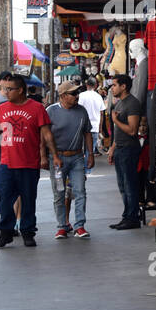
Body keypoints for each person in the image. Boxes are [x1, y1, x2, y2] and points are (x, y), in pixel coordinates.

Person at [0, 74, 60, 248]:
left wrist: (55, 156)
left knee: (29, 200)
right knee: (5, 200)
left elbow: (46, 135)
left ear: (20, 90)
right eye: (5, 89)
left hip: (29, 164)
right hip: (7, 163)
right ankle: (6, 232)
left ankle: (28, 232)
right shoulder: (1, 109)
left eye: (10, 89)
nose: (6, 92)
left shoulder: (37, 108)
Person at [46, 79, 94, 239]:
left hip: (77, 157)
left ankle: (80, 225)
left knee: (80, 192)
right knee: (59, 194)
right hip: (58, 158)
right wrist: (48, 156)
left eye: (77, 93)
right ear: (63, 95)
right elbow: (45, 136)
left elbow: (87, 133)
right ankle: (62, 226)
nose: (77, 96)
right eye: (73, 93)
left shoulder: (82, 111)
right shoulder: (51, 111)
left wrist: (90, 154)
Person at [107, 73, 142, 229]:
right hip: (120, 149)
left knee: (130, 185)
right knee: (122, 185)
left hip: (129, 149)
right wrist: (112, 149)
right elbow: (117, 131)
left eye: (114, 85)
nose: (112, 88)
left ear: (123, 86)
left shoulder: (132, 103)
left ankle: (133, 217)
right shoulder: (119, 104)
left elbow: (132, 130)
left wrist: (115, 120)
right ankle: (127, 215)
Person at [79, 78, 106, 154]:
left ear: (86, 85)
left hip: (82, 127)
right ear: (95, 86)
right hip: (94, 127)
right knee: (90, 151)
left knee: (80, 151)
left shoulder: (81, 96)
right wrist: (100, 128)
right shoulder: (99, 97)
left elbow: (77, 110)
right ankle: (87, 165)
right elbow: (101, 113)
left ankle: (83, 165)